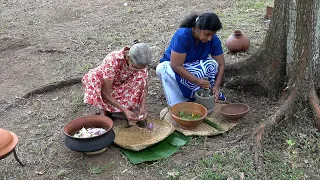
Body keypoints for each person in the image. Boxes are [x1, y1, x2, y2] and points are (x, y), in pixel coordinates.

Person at [156, 12, 226, 107]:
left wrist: (216, 86)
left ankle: (204, 95)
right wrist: (197, 81)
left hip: (193, 68)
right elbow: (176, 65)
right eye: (207, 34)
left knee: (212, 64)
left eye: (212, 35)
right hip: (174, 69)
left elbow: (221, 64)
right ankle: (178, 102)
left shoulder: (213, 39)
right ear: (197, 28)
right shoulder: (183, 36)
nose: (210, 38)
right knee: (162, 68)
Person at [82, 42, 152, 123]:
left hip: (121, 83)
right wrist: (124, 110)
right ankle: (104, 109)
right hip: (105, 84)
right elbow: (105, 92)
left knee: (141, 76)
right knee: (93, 79)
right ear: (128, 57)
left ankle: (116, 109)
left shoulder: (140, 65)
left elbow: (144, 85)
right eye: (135, 67)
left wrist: (142, 106)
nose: (137, 70)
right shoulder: (113, 60)